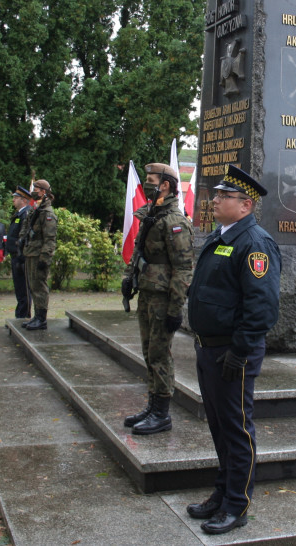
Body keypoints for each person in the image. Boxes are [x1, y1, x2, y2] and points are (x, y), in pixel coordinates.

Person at [185, 165, 280, 536]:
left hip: (231, 353)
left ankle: (237, 506)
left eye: (224, 196)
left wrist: (239, 352)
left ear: (246, 205)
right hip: (208, 348)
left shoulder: (254, 242)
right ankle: (222, 493)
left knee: (237, 429)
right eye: (217, 195)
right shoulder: (220, 236)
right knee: (219, 426)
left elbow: (262, 308)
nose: (215, 200)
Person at [120, 163, 194, 435]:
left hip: (163, 298)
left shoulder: (174, 222)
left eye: (152, 181)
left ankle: (162, 414)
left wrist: (176, 308)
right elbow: (140, 251)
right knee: (148, 351)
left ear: (165, 185)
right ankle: (152, 405)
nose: (147, 186)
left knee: (160, 354)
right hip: (148, 293)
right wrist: (130, 278)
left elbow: (183, 268)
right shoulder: (152, 215)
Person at [20, 180, 57, 330]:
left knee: (39, 286)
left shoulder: (47, 213)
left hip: (39, 255)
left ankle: (42, 318)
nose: (33, 191)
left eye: (36, 188)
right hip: (31, 252)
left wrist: (45, 258)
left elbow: (50, 239)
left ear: (43, 191)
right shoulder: (37, 209)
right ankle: (37, 316)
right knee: (33, 285)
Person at [5, 187, 32, 320]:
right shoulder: (18, 215)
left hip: (22, 257)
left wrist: (21, 256)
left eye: (16, 198)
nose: (13, 200)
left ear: (23, 200)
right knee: (20, 289)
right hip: (16, 256)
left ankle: (23, 316)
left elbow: (25, 237)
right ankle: (20, 314)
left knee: (24, 289)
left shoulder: (26, 214)